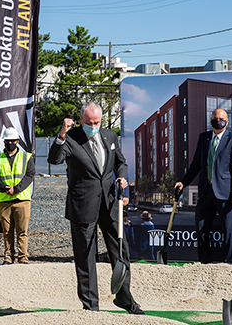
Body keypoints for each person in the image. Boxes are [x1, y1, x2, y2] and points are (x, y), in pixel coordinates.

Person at [47, 101, 144, 315]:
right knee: (86, 257)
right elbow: (54, 159)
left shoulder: (109, 136)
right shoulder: (71, 138)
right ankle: (91, 306)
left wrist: (120, 176)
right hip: (83, 204)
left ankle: (125, 299)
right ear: (81, 120)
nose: (94, 126)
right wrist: (62, 134)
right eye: (90, 122)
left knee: (120, 251)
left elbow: (121, 162)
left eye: (97, 122)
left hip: (109, 203)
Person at [174, 108, 232, 264]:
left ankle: (229, 263)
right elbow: (196, 164)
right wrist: (183, 182)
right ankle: (205, 262)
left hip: (226, 193)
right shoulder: (204, 138)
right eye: (215, 118)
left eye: (221, 118)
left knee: (229, 231)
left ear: (227, 121)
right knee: (201, 228)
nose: (218, 121)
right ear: (211, 119)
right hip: (205, 192)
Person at [0, 127, 35, 264]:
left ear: (18, 141)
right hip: (4, 200)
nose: (11, 143)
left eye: (13, 141)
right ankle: (8, 258)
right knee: (7, 232)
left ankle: (23, 257)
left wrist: (16, 189)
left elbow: (30, 175)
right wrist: (4, 188)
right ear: (4, 142)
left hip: (22, 199)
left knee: (22, 231)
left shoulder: (26, 157)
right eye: (8, 141)